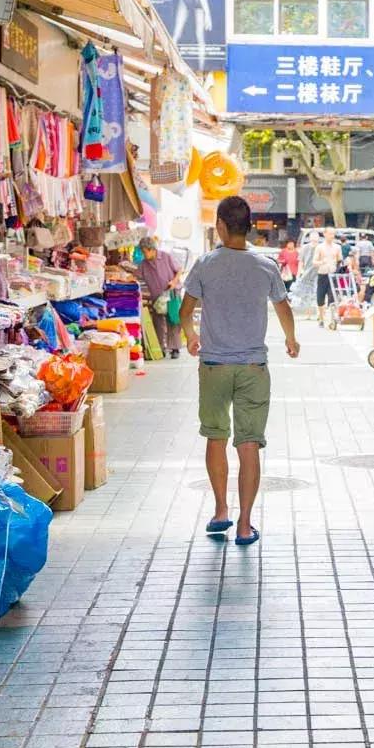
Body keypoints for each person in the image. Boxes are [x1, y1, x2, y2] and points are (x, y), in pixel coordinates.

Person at [179, 196, 300, 547]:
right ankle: (245, 525)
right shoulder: (265, 265)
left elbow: (185, 312)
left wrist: (191, 337)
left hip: (214, 365)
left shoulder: (205, 264)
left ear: (220, 225)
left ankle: (221, 511)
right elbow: (283, 308)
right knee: (249, 445)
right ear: (248, 226)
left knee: (215, 437)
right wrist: (291, 340)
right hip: (252, 367)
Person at [135, 237, 183, 359]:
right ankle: (161, 348)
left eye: (145, 251)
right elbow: (136, 276)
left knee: (173, 320)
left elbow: (179, 270)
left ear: (152, 249)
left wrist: (173, 281)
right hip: (157, 297)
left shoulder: (166, 257)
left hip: (171, 294)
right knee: (158, 322)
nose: (144, 254)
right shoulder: (144, 264)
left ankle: (175, 348)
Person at [313, 227, 342, 326]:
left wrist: (341, 268)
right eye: (330, 234)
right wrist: (322, 262)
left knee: (332, 297)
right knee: (320, 298)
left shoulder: (337, 247)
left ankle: (332, 318)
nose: (332, 236)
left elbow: (340, 260)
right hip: (322, 274)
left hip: (333, 275)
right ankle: (321, 318)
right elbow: (314, 262)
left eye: (333, 234)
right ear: (325, 234)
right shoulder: (320, 247)